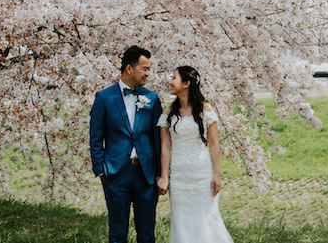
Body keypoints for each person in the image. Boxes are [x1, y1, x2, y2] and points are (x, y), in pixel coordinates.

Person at [89, 46, 164, 243]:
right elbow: (95, 137)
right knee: (117, 233)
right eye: (144, 68)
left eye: (149, 69)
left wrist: (161, 173)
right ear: (129, 69)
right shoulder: (104, 98)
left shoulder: (152, 98)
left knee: (147, 234)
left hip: (145, 175)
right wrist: (100, 168)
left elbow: (158, 139)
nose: (148, 73)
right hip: (115, 174)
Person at [157, 66, 234, 243]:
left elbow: (214, 145)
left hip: (202, 176)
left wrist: (216, 174)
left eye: (174, 78)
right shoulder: (168, 114)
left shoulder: (205, 110)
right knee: (182, 223)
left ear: (186, 83)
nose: (170, 81)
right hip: (179, 178)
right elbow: (165, 147)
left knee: (207, 220)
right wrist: (164, 177)